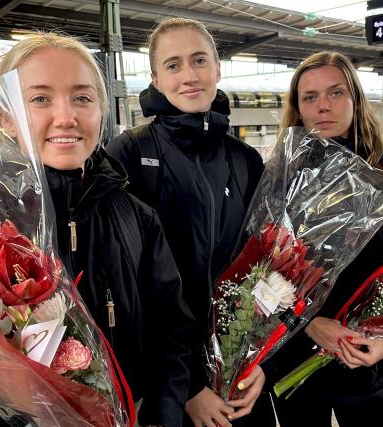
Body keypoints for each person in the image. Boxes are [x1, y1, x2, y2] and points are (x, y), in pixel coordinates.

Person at [0, 32, 195, 427]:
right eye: (40, 99)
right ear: (5, 117)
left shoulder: (136, 218)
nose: (66, 116)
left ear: (101, 110)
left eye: (83, 98)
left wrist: (162, 416)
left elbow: (171, 333)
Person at [248, 51, 383, 427]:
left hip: (369, 362)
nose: (323, 106)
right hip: (293, 360)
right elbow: (258, 270)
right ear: (297, 108)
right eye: (310, 97)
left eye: (336, 93)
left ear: (356, 99)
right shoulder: (281, 176)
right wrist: (311, 325)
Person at [106, 18, 266, 427]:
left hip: (238, 370)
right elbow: (127, 287)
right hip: (169, 384)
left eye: (199, 61)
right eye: (173, 65)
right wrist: (189, 386)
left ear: (217, 68)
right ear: (156, 79)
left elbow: (262, 271)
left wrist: (259, 358)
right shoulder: (128, 154)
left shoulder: (245, 160)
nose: (190, 76)